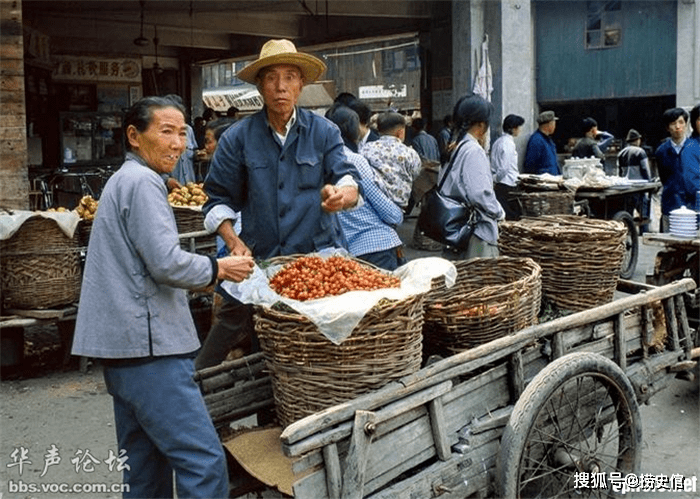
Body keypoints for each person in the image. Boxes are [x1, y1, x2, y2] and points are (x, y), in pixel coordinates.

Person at [71, 96, 255, 499]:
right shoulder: (141, 183)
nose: (177, 144)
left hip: (124, 351)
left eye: (183, 134)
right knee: (203, 463)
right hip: (149, 348)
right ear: (134, 137)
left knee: (144, 468)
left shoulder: (126, 180)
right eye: (166, 131)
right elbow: (166, 264)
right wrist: (219, 268)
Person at [195, 39, 361, 370]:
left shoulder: (324, 132)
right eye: (271, 77)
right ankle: (198, 393)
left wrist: (340, 197)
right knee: (248, 330)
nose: (280, 87)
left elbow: (347, 180)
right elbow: (217, 199)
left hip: (318, 260)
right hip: (262, 258)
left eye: (289, 77)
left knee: (318, 345)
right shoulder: (237, 138)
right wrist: (233, 241)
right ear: (259, 86)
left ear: (301, 84)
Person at [326, 104, 406, 271]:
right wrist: (397, 214)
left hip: (345, 252)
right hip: (376, 246)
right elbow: (384, 208)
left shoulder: (318, 160)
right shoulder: (353, 160)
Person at [439, 93, 505, 261]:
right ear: (481, 126)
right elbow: (480, 194)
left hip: (455, 229)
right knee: (480, 284)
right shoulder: (473, 151)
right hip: (476, 233)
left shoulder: (454, 148)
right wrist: (499, 213)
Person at [361, 111, 422, 211]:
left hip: (372, 205)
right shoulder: (410, 153)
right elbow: (415, 173)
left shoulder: (366, 149)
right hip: (397, 207)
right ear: (400, 132)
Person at [654, 107, 700, 232]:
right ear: (667, 128)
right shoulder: (661, 151)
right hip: (671, 203)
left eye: (681, 122)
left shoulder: (696, 147)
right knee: (671, 244)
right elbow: (664, 177)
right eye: (673, 124)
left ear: (686, 125)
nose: (677, 127)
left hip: (694, 204)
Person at [490, 114, 525, 220]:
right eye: (518, 127)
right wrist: (496, 179)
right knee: (513, 217)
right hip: (507, 184)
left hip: (502, 184)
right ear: (513, 128)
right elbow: (504, 168)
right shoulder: (508, 143)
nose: (519, 130)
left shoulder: (498, 142)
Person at [617, 128, 652, 232]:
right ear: (637, 140)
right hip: (639, 187)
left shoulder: (621, 153)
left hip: (626, 188)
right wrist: (650, 181)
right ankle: (643, 233)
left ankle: (629, 234)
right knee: (643, 214)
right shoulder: (640, 152)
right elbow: (645, 168)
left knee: (628, 214)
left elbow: (619, 172)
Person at [163, 94, 197, 189]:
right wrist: (166, 179)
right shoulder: (160, 133)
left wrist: (197, 155)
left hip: (189, 185)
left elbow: (192, 153)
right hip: (169, 190)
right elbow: (149, 164)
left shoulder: (188, 130)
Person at [523, 110, 560, 175]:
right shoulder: (536, 140)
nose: (555, 126)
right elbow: (530, 165)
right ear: (548, 124)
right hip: (543, 181)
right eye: (554, 123)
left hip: (552, 180)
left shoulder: (548, 140)